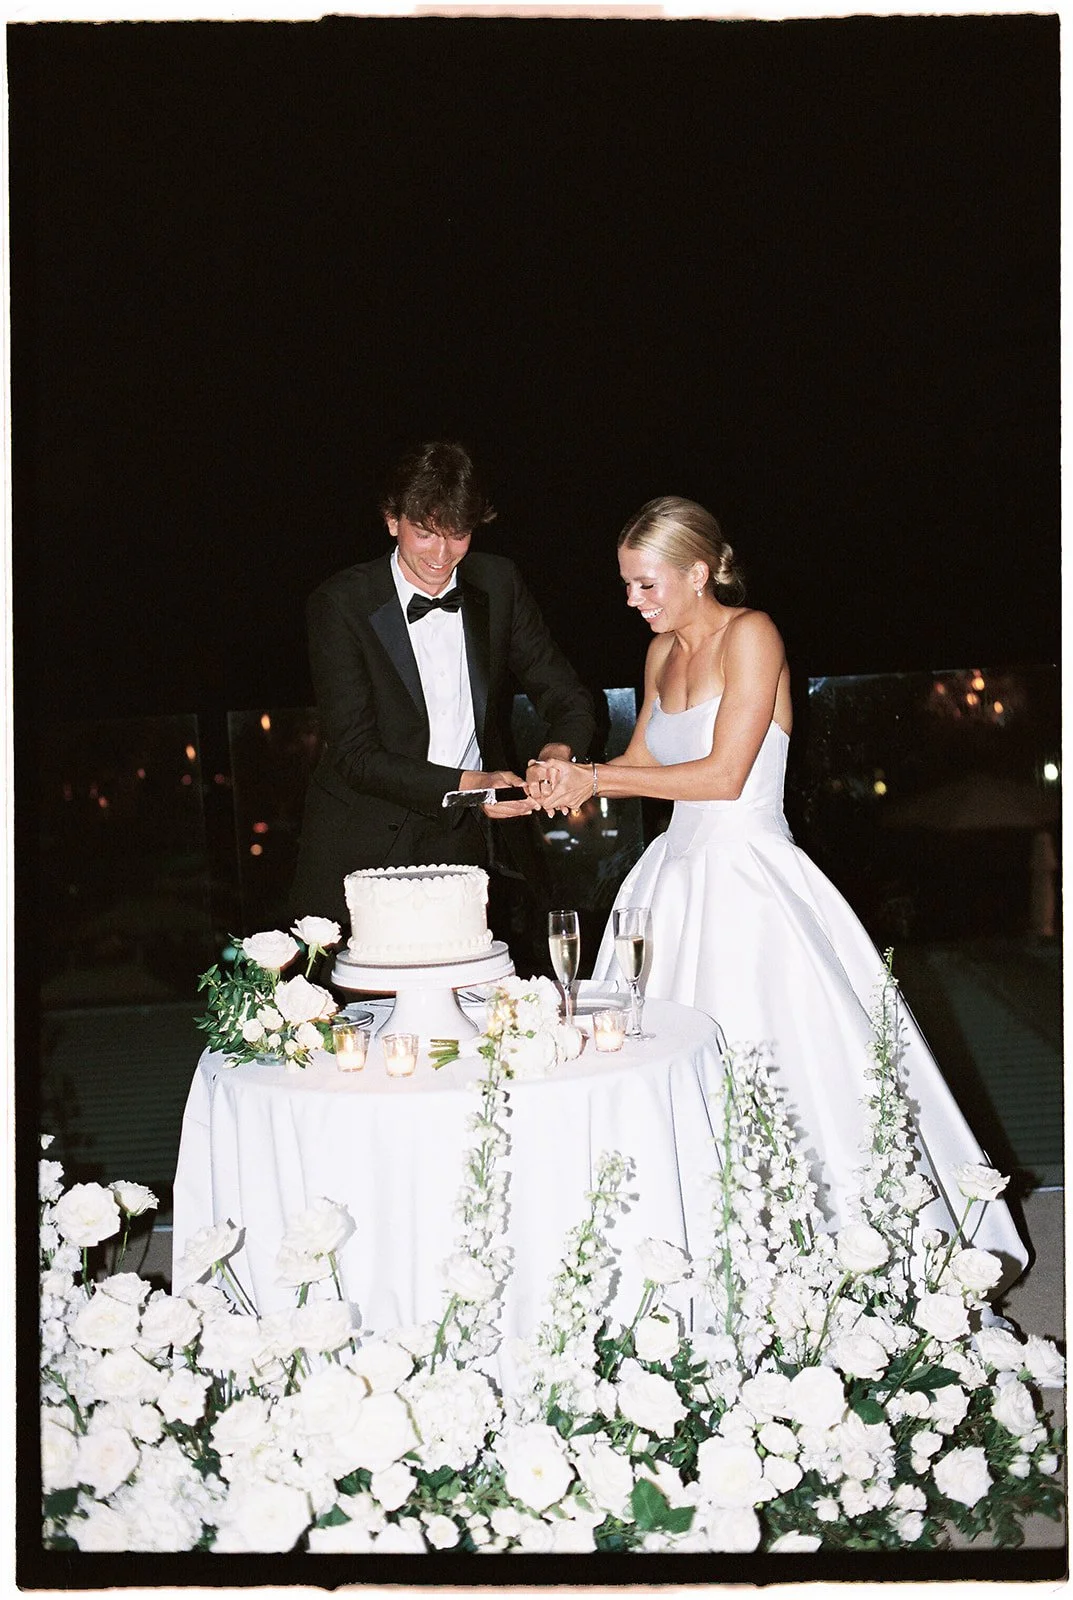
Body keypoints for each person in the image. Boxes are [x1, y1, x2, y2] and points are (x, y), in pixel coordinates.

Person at [528, 495, 1027, 1279]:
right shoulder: (660, 656)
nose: (632, 602)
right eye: (626, 586)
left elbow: (725, 775)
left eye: (647, 585)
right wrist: (554, 788)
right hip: (670, 878)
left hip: (748, 873)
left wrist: (594, 774)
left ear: (698, 572)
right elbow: (647, 770)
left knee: (777, 1055)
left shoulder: (751, 634)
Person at [290, 440, 596, 953]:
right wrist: (471, 783)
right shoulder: (339, 603)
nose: (441, 554)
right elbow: (356, 755)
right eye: (425, 533)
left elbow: (568, 697)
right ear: (392, 520)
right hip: (362, 839)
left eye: (457, 535)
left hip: (463, 839)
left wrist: (555, 756)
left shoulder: (499, 583)